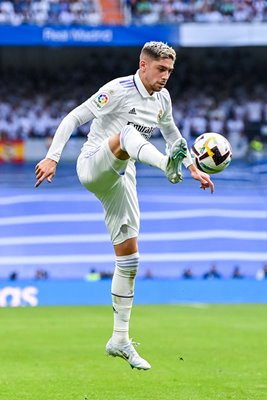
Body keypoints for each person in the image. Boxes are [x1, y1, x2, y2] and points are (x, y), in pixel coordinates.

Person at [35, 41, 214, 370]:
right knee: (128, 134)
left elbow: (173, 135)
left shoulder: (162, 99)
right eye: (161, 69)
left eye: (170, 71)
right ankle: (164, 168)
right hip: (93, 165)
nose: (166, 77)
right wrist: (52, 156)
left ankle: (119, 339)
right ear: (143, 65)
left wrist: (192, 168)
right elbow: (74, 117)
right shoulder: (117, 89)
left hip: (122, 176)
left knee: (130, 260)